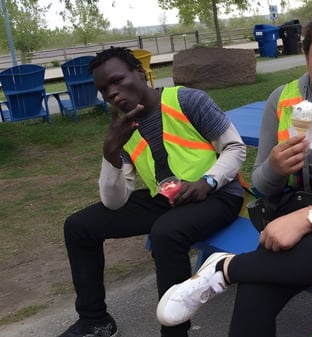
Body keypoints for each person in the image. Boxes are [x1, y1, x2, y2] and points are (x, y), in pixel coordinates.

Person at [156, 8, 312, 336]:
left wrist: (308, 218)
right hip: (301, 226)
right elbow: (262, 187)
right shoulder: (283, 99)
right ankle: (228, 268)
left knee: (260, 272)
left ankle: (226, 268)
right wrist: (276, 168)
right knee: (258, 285)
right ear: (307, 55)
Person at [59, 47, 246, 337]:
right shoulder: (124, 128)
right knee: (79, 226)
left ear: (139, 72)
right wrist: (110, 153)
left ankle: (174, 332)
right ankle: (95, 320)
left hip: (217, 194)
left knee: (165, 232)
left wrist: (207, 182)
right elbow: (114, 201)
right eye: (104, 89)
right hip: (168, 199)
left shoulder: (186, 100)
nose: (113, 92)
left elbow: (235, 148)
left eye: (118, 80)